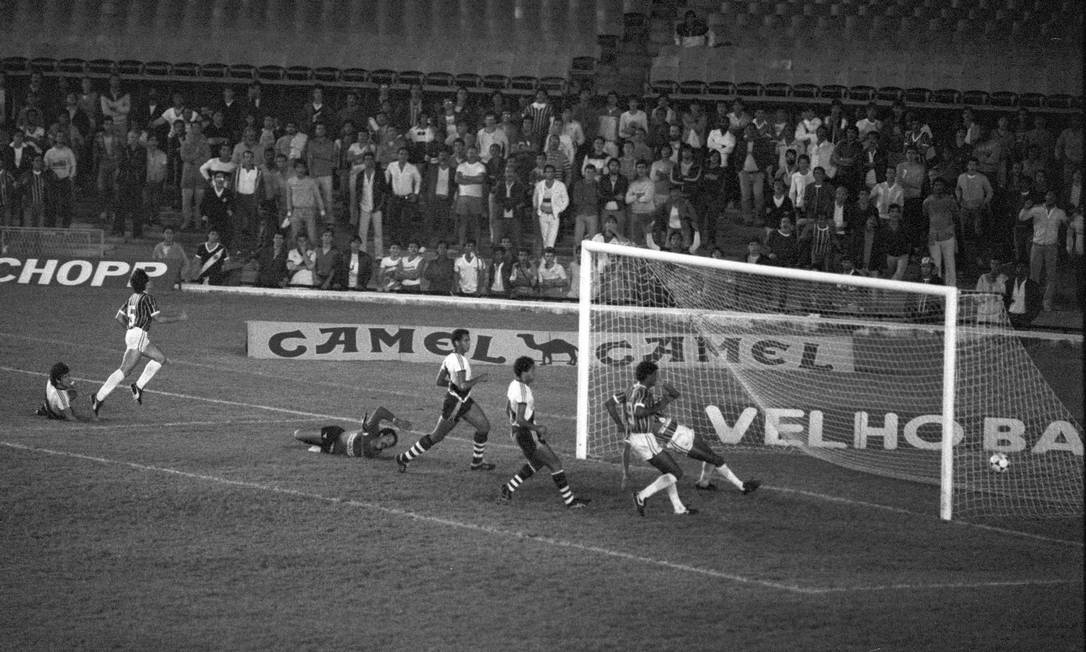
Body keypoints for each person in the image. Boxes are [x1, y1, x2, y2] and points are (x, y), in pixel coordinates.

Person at [396, 328, 496, 472]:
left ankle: (477, 462)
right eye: (466, 340)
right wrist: (480, 378)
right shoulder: (460, 361)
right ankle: (404, 458)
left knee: (484, 427)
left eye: (469, 340)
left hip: (463, 400)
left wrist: (453, 386)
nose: (469, 343)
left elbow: (439, 381)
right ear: (457, 342)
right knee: (436, 436)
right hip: (455, 405)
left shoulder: (449, 357)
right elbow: (463, 386)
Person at [91, 268, 188, 417]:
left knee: (160, 358)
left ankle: (138, 386)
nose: (151, 281)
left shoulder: (132, 297)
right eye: (148, 279)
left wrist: (130, 330)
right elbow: (159, 319)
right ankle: (98, 397)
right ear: (145, 283)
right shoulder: (148, 298)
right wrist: (179, 318)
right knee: (125, 370)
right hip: (139, 334)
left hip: (133, 334)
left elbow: (118, 317)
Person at [500, 357, 589, 508]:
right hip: (527, 434)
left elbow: (507, 409)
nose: (534, 373)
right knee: (555, 463)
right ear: (524, 372)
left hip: (520, 433)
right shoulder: (523, 391)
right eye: (532, 370)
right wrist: (538, 428)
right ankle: (570, 501)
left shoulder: (513, 384)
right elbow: (521, 419)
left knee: (538, 462)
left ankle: (508, 488)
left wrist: (513, 425)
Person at [292, 407, 411, 458]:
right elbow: (379, 411)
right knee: (298, 434)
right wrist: (396, 421)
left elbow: (366, 454)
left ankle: (321, 448)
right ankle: (316, 436)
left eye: (390, 444)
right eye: (388, 440)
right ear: (381, 434)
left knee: (315, 447)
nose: (388, 444)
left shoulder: (375, 453)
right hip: (334, 435)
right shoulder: (372, 430)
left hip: (331, 450)